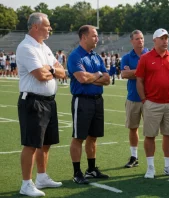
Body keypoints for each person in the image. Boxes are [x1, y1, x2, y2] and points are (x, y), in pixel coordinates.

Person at [16, 12, 66, 197]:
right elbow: (39, 75)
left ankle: (42, 177)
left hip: (49, 101)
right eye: (47, 25)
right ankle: (26, 183)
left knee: (46, 143)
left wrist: (51, 69)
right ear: (35, 27)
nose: (50, 28)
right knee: (31, 143)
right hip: (33, 101)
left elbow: (61, 72)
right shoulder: (26, 47)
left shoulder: (43, 46)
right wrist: (51, 70)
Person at [135, 28, 169, 179]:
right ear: (155, 40)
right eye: (162, 38)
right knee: (150, 136)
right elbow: (139, 80)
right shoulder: (145, 58)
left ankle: (168, 166)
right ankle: (150, 167)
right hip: (152, 103)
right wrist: (144, 100)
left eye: (166, 38)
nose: (165, 41)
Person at [67, 25, 110, 184]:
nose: (97, 39)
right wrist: (97, 75)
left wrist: (94, 77)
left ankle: (91, 169)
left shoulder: (96, 57)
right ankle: (77, 172)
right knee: (79, 137)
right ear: (84, 37)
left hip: (98, 100)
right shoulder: (75, 56)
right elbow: (82, 78)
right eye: (94, 36)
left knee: (93, 137)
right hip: (82, 100)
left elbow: (107, 79)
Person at [121, 30, 149, 168]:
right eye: (137, 39)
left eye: (142, 38)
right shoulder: (127, 57)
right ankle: (134, 156)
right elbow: (124, 74)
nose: (140, 41)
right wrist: (142, 71)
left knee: (151, 130)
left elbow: (151, 73)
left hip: (149, 97)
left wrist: (134, 71)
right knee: (133, 128)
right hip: (133, 97)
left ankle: (151, 158)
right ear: (132, 41)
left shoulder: (150, 55)